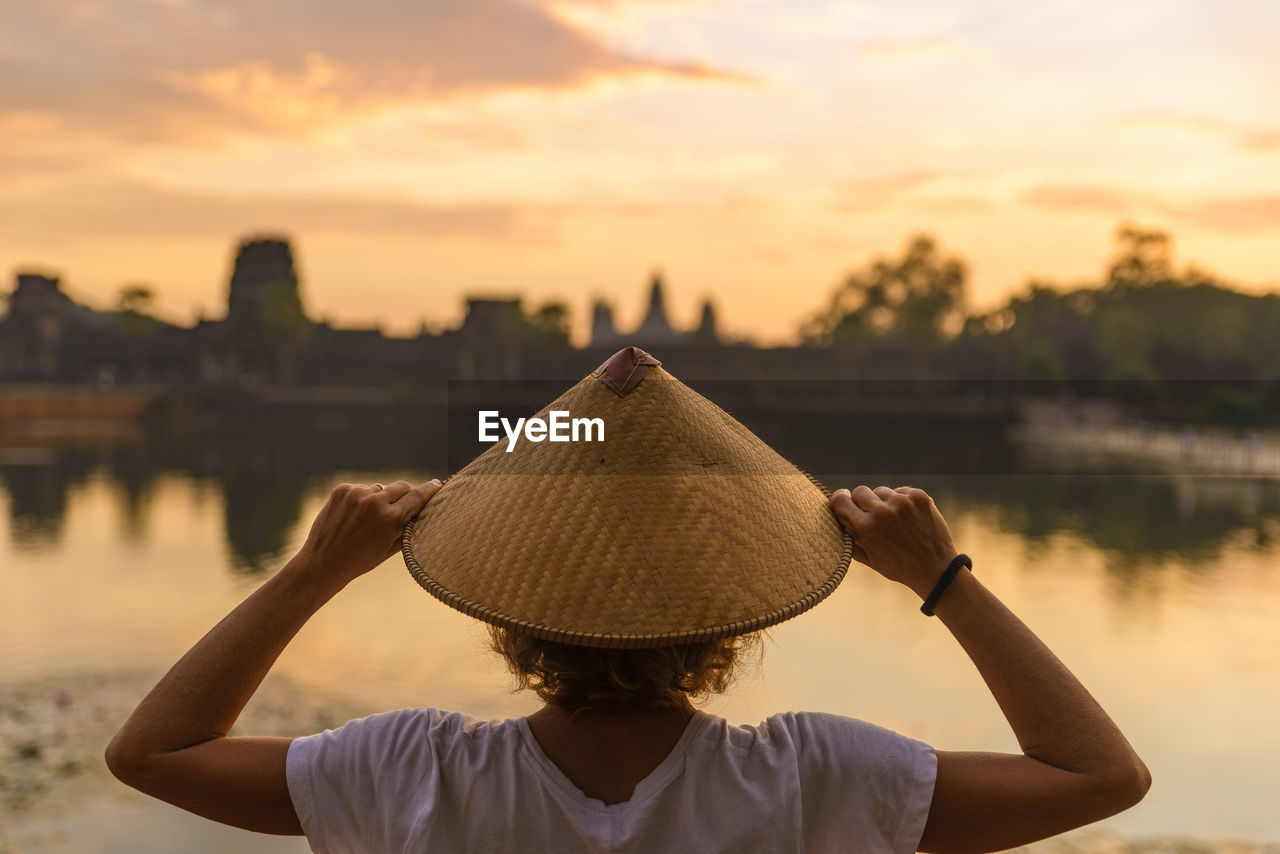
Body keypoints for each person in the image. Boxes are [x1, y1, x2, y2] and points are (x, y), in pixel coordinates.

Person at [106, 349, 1151, 853]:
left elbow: (152, 752)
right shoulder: (819, 780)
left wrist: (311, 571)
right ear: (732, 619)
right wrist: (943, 580)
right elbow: (1098, 774)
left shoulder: (410, 774)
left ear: (505, 613)